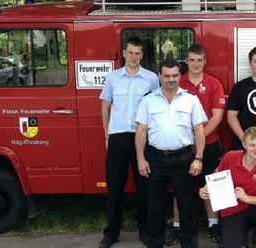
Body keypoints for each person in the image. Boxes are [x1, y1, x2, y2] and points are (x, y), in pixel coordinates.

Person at [135, 60, 207, 248]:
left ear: (180, 76)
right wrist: (141, 159)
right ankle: (155, 244)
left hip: (183, 159)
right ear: (159, 76)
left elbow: (199, 130)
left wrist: (198, 158)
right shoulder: (148, 99)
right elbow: (141, 130)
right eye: (166, 76)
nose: (171, 79)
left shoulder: (191, 99)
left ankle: (189, 244)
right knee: (154, 207)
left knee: (186, 207)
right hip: (155, 159)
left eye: (175, 75)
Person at [98, 37, 159, 248]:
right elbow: (105, 107)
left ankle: (145, 230)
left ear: (142, 55)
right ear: (124, 53)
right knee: (114, 187)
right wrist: (107, 135)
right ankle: (112, 232)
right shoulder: (113, 78)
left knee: (145, 187)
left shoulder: (151, 79)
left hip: (142, 137)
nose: (134, 57)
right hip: (118, 137)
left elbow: (156, 108)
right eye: (130, 52)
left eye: (138, 53)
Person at [166, 44, 225, 245]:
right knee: (179, 187)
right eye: (192, 60)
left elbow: (217, 116)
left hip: (209, 144)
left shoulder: (214, 84)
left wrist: (198, 137)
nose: (196, 64)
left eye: (200, 60)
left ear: (205, 61)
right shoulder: (177, 83)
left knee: (212, 186)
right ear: (186, 61)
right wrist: (190, 140)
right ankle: (176, 226)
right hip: (182, 147)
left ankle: (213, 225)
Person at [199, 126, 256, 248]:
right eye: (252, 145)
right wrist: (205, 189)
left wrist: (247, 198)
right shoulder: (230, 157)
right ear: (244, 144)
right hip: (233, 209)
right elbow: (215, 177)